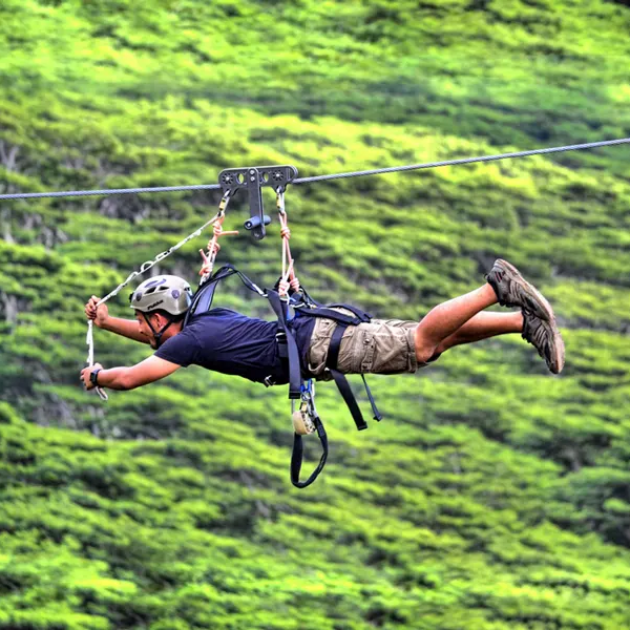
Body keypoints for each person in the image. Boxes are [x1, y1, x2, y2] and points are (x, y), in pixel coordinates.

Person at [80, 259, 564, 393]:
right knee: (430, 346)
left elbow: (130, 376)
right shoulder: (202, 322)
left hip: (323, 346)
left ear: (162, 316)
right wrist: (106, 323)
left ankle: (495, 287)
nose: (145, 328)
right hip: (320, 336)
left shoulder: (190, 340)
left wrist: (98, 376)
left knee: (420, 342)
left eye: (146, 319)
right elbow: (151, 337)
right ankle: (520, 320)